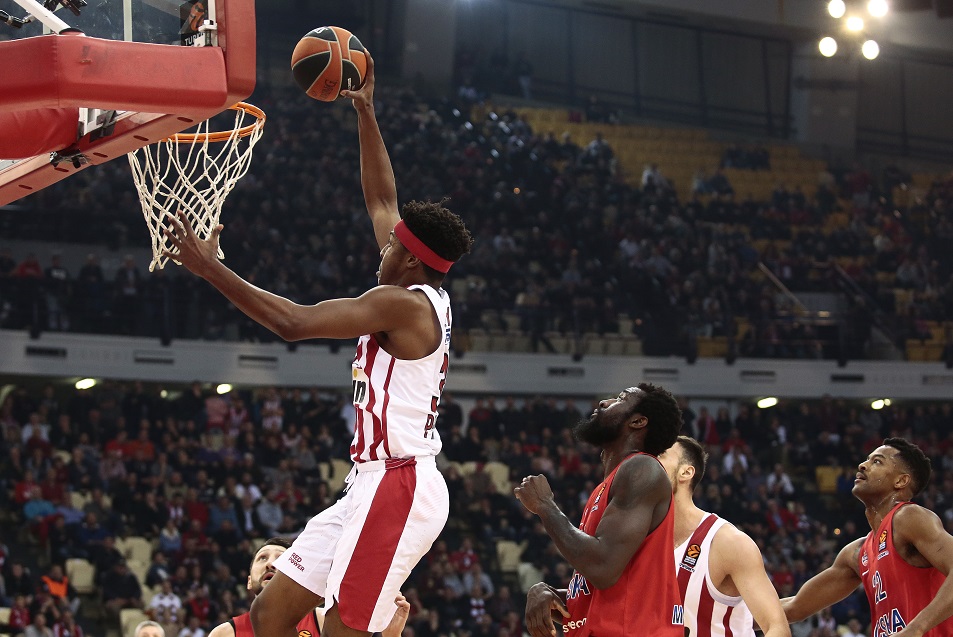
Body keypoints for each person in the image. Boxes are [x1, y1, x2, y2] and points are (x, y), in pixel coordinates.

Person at [164, 51, 472, 637]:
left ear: (411, 259)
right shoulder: (416, 285)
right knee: (270, 615)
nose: (383, 244)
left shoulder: (402, 305)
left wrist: (210, 268)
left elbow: (293, 323)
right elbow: (382, 201)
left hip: (400, 484)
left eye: (392, 245)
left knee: (341, 631)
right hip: (368, 481)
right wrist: (365, 112)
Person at [515, 383, 684, 637]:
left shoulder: (642, 469)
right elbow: (605, 589)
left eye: (620, 399)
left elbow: (603, 567)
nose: (605, 402)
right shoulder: (611, 483)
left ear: (638, 421)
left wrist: (545, 506)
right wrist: (551, 595)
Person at [781, 437, 953, 636]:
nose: (862, 465)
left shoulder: (908, 517)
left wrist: (916, 628)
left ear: (900, 481)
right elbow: (795, 607)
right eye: (867, 459)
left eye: (877, 461)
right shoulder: (857, 553)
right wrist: (746, 615)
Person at [658, 436, 790, 637]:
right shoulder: (639, 540)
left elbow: (777, 628)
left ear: (685, 472)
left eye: (660, 455)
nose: (647, 461)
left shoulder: (728, 543)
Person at [207, 538, 409, 637]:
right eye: (262, 558)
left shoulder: (322, 619)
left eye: (281, 559)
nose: (271, 564)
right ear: (249, 581)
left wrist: (391, 636)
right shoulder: (225, 633)